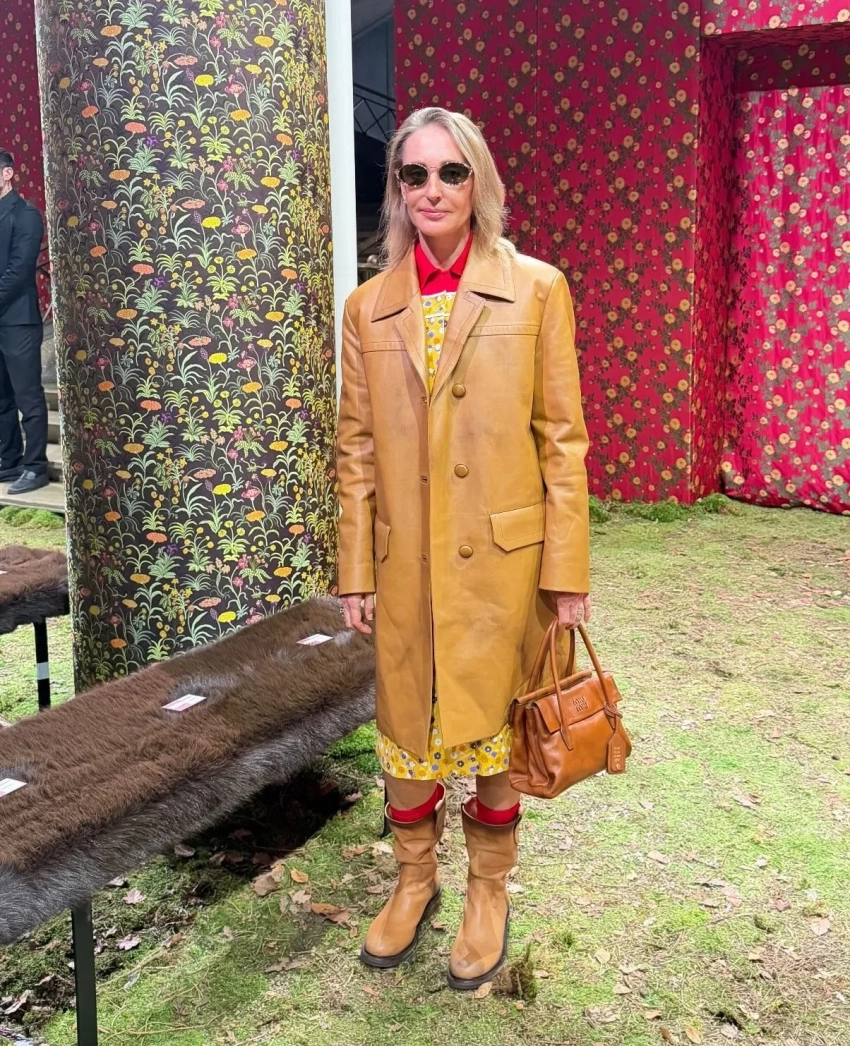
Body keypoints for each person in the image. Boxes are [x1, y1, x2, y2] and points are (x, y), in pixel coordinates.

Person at [337, 107, 591, 990]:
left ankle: (489, 891)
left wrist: (566, 574)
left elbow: (563, 442)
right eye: (414, 174)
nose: (433, 189)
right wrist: (354, 570)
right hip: (405, 563)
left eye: (451, 171)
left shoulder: (537, 289)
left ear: (478, 180)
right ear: (397, 189)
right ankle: (415, 882)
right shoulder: (368, 307)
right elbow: (356, 449)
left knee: (497, 730)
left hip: (506, 565)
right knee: (408, 728)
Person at [0, 149, 48, 496]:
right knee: (1, 397)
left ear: (7, 174)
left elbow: (19, 272)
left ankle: (36, 467)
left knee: (27, 396)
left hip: (19, 321)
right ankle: (10, 460)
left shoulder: (26, 215)